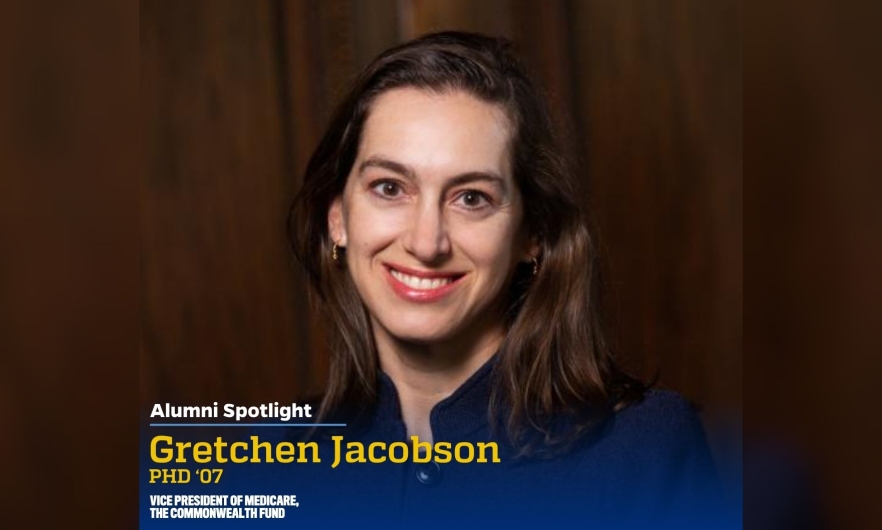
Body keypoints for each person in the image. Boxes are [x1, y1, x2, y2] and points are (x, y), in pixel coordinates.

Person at [285, 31, 728, 528]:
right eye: (389, 188)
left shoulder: (644, 450)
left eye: (471, 198)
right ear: (338, 218)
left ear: (531, 236)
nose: (426, 242)